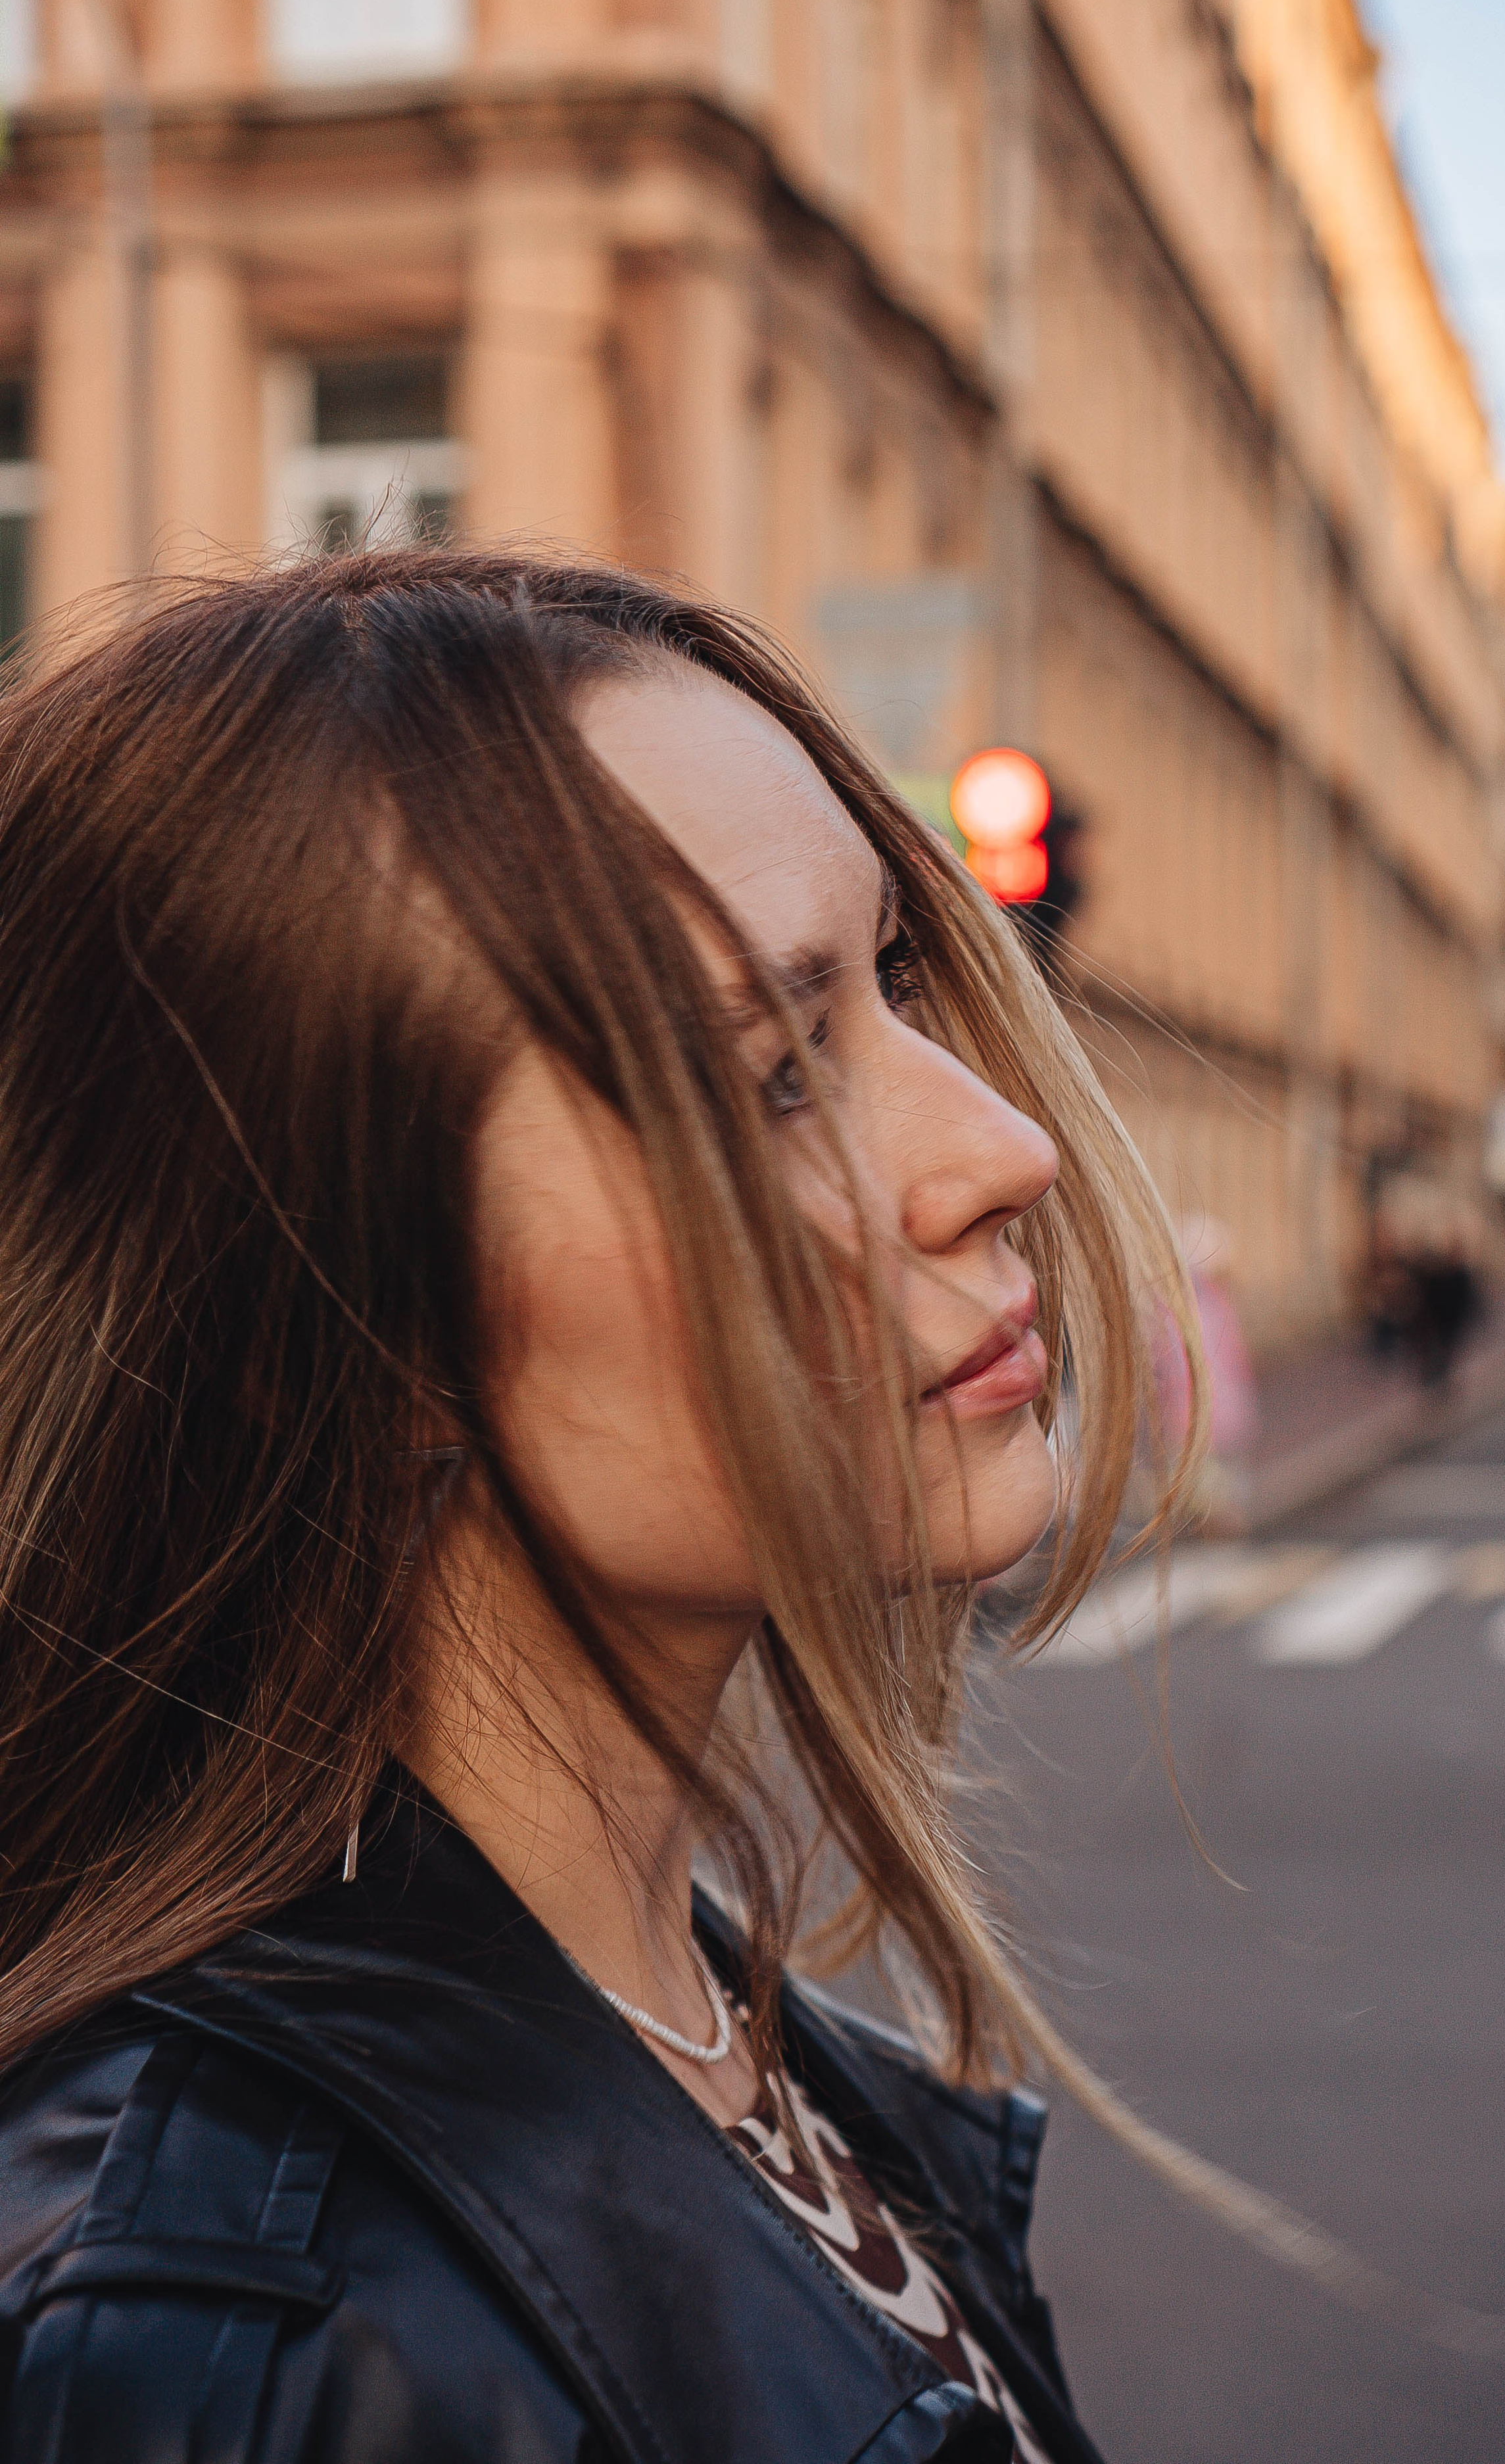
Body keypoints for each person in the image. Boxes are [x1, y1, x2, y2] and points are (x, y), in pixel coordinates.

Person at [0, 554, 1197, 2464]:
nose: (1003, 1146)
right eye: (766, 1079)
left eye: (895, 976)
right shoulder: (223, 2346)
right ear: (349, 1305)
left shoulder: (729, 2047)